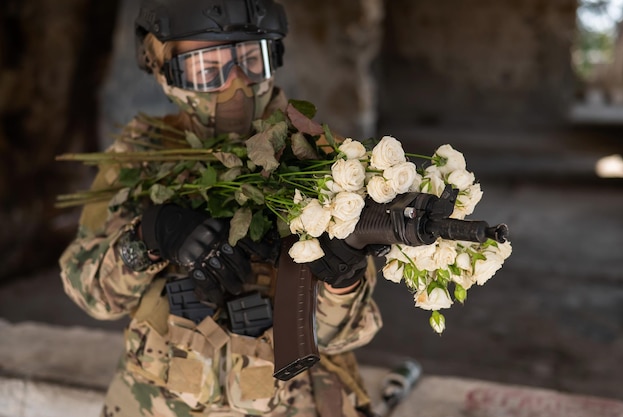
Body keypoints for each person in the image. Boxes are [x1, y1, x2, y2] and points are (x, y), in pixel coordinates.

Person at [59, 1, 382, 416]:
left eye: (250, 60)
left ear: (273, 59)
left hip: (293, 401)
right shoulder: (140, 157)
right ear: (166, 72)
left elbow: (345, 334)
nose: (235, 85)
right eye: (206, 68)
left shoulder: (322, 162)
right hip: (159, 401)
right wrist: (150, 237)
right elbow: (90, 294)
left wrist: (342, 280)